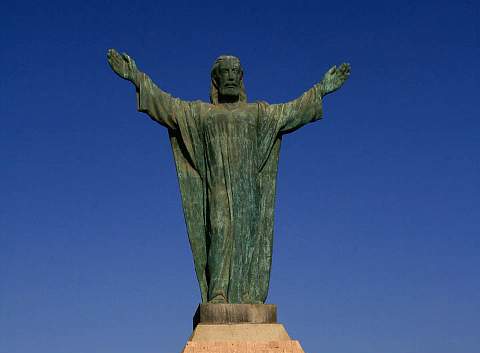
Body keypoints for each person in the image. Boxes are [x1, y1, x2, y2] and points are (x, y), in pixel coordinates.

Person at [107, 50, 350, 304]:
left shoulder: (258, 113)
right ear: (216, 80)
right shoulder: (201, 113)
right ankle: (218, 293)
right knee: (220, 230)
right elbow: (166, 105)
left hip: (249, 192)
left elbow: (291, 112)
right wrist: (136, 77)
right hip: (218, 187)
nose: (231, 77)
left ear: (242, 78)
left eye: (236, 72)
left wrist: (321, 89)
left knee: (248, 240)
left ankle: (247, 295)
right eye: (225, 72)